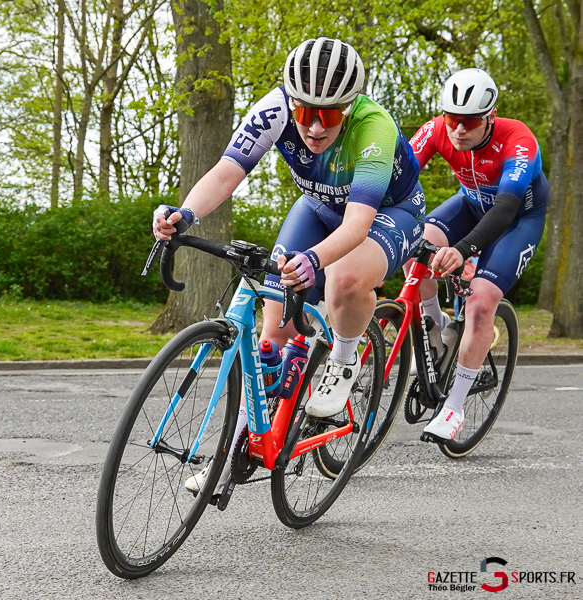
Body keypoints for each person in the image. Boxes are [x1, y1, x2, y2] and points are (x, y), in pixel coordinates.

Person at [151, 37, 426, 493]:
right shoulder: (273, 108)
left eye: (330, 115)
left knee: (344, 278)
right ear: (290, 102)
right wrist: (184, 214)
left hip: (388, 215)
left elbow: (358, 223)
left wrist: (315, 260)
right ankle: (237, 446)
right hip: (317, 207)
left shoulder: (374, 126)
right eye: (304, 113)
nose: (315, 127)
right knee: (273, 327)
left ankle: (341, 360)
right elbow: (226, 172)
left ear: (350, 106)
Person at [408, 68, 548, 441]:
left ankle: (453, 408)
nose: (458, 130)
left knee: (481, 302)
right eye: (451, 119)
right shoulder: (438, 129)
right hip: (468, 206)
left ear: (490, 117)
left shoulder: (516, 139)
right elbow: (398, 175)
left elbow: (504, 208)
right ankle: (436, 332)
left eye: (469, 122)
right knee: (412, 252)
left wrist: (462, 249)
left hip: (517, 218)